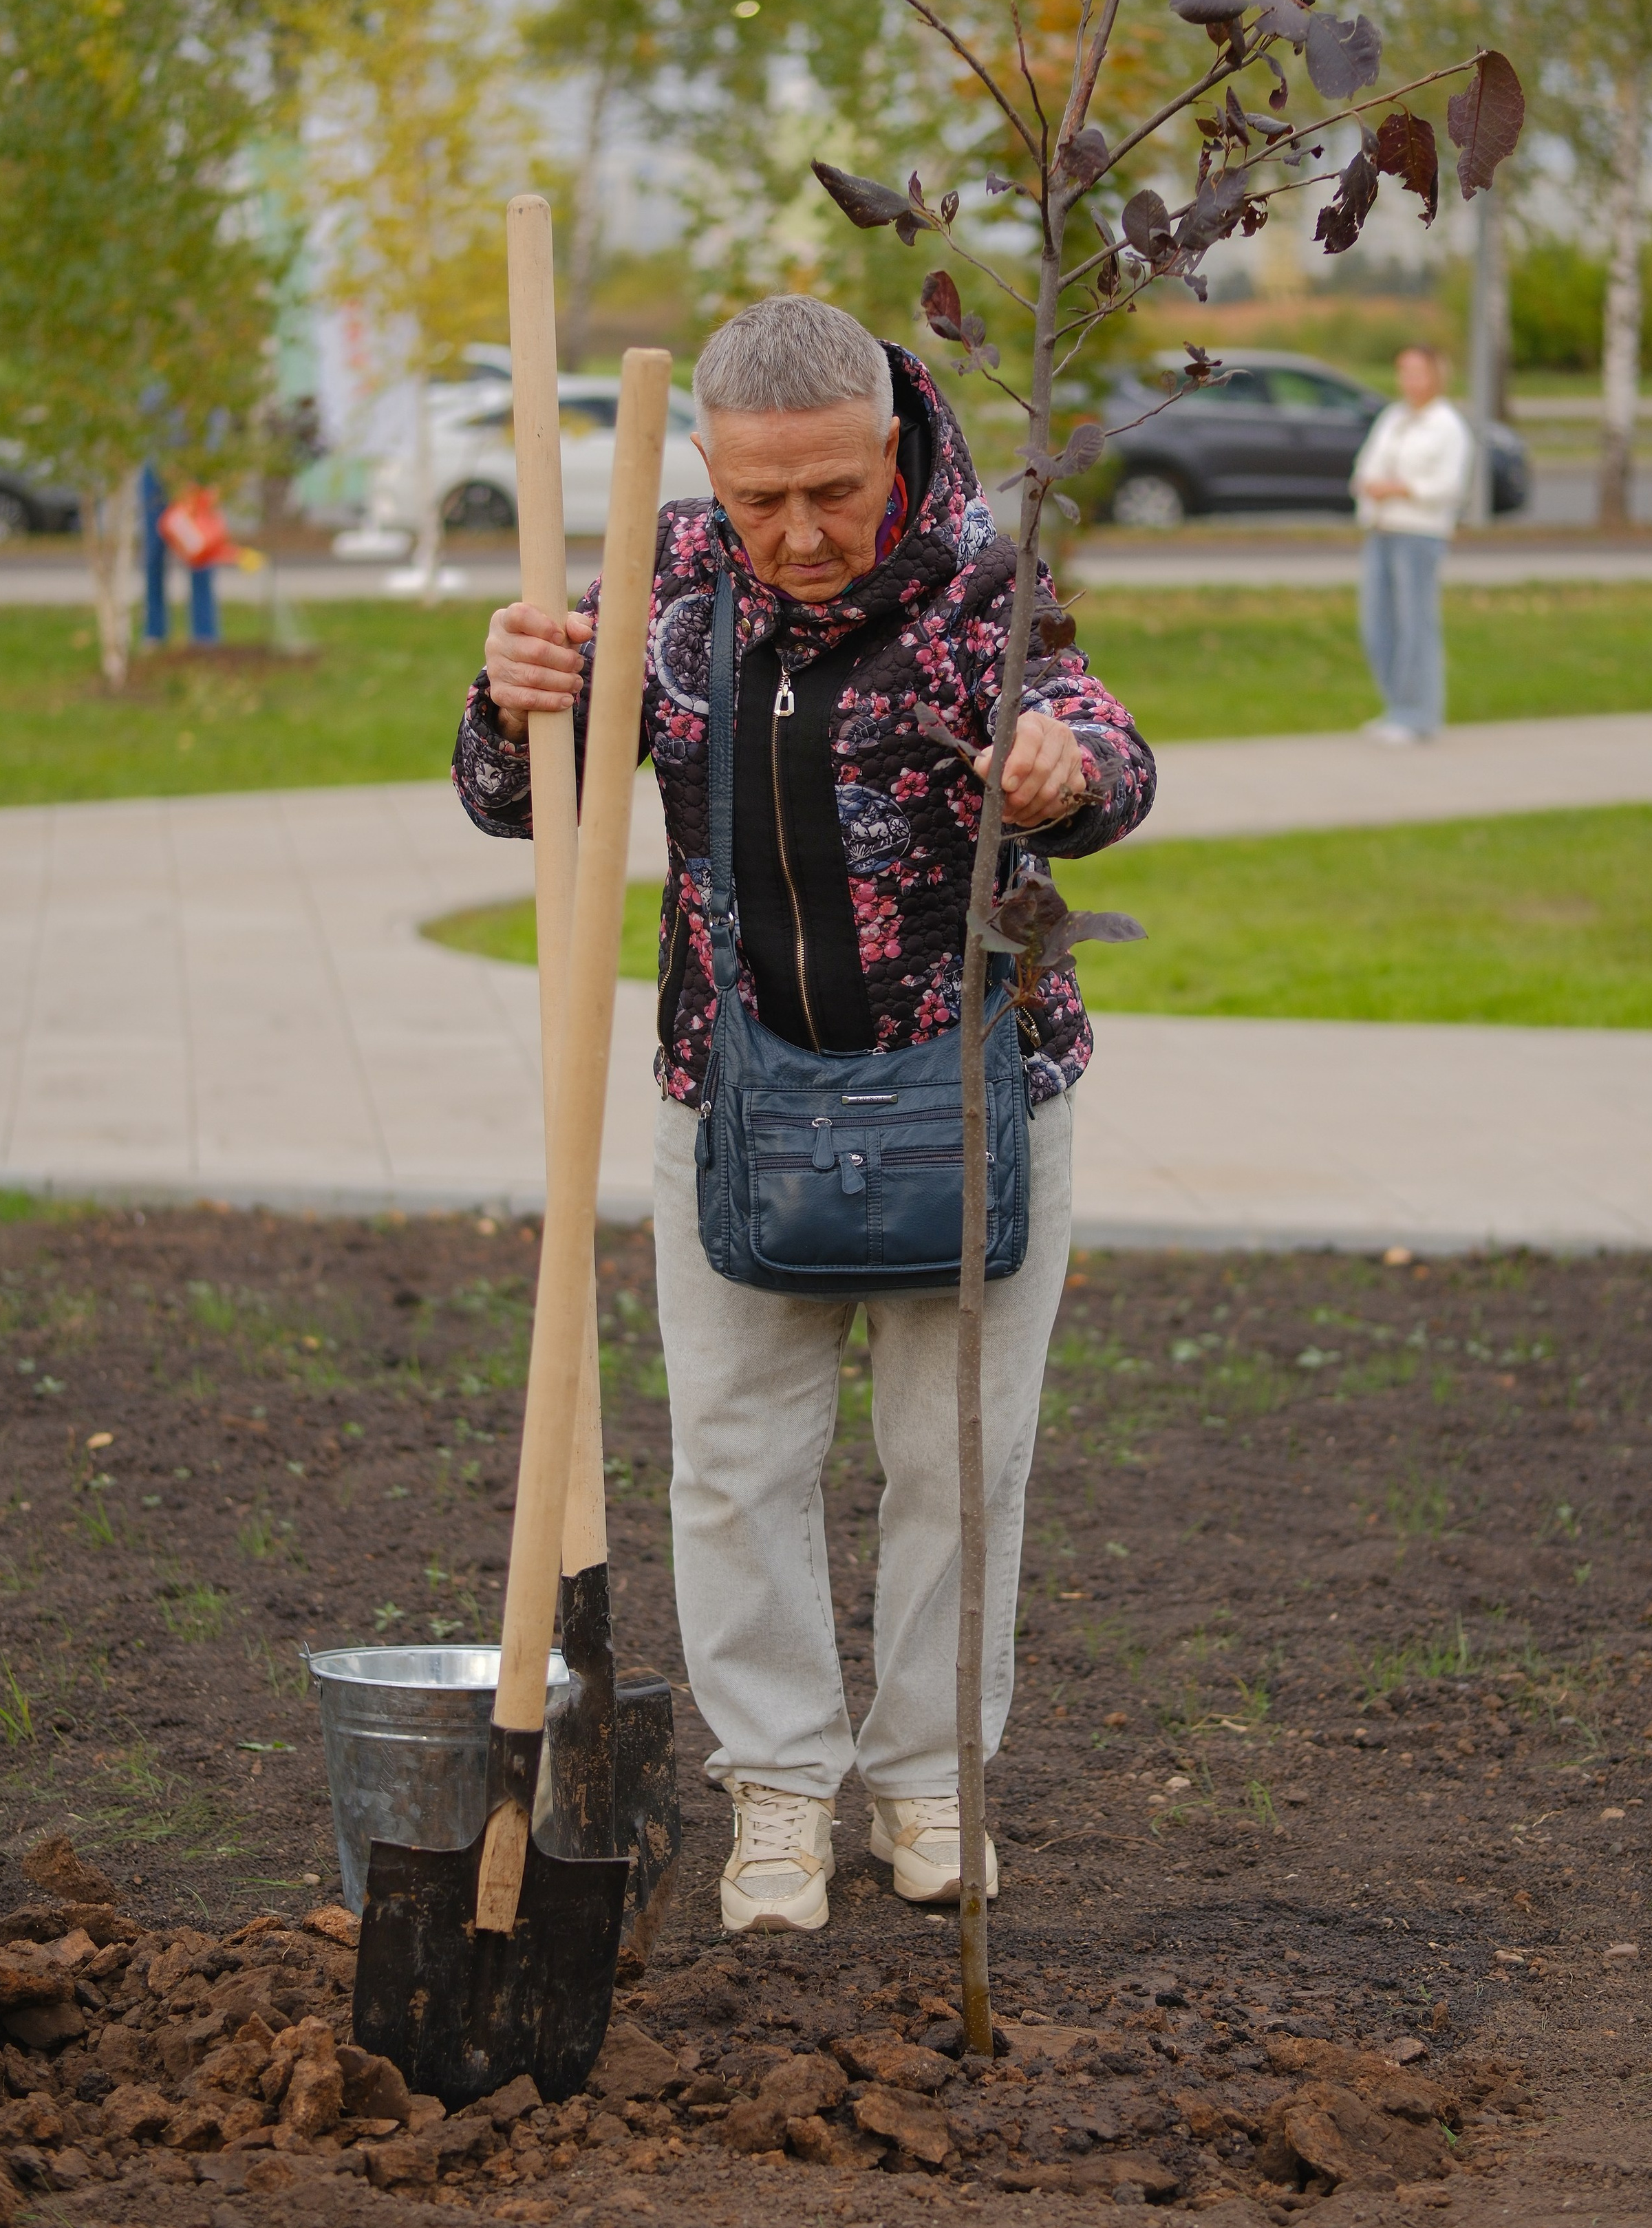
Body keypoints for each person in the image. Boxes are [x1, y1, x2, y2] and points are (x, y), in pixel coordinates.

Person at [453, 294, 1155, 1933]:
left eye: (830, 492)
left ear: (890, 445)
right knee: (733, 1461)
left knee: (954, 1460)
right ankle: (776, 1788)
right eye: (759, 497)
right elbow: (518, 801)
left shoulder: (986, 575)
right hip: (736, 1094)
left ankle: (928, 1786)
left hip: (975, 1091)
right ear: (707, 465)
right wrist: (508, 697)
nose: (797, 532)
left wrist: (1063, 763)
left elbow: (1106, 747)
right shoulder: (665, 579)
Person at [1349, 344, 1474, 745]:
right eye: (1403, 371)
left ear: (1436, 375)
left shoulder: (1447, 425)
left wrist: (1404, 488)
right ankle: (1396, 709)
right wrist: (1371, 486)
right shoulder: (1393, 418)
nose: (1409, 380)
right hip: (1381, 530)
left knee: (1415, 626)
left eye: (1417, 372)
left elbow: (1450, 486)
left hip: (1419, 535)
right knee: (1378, 625)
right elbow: (1365, 468)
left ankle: (1418, 715)